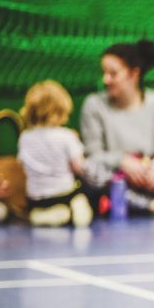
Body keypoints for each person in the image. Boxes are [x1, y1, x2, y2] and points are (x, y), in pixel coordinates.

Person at [80, 39, 154, 216]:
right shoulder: (94, 105)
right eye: (104, 73)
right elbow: (93, 155)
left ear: (134, 74)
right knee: (88, 171)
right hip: (119, 182)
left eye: (113, 74)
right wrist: (123, 162)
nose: (105, 80)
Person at [17, 80, 93, 228]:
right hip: (64, 195)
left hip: (36, 199)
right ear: (59, 111)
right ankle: (75, 209)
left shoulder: (24, 138)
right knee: (81, 193)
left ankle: (41, 215)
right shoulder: (66, 136)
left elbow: (22, 165)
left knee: (39, 206)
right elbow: (79, 167)